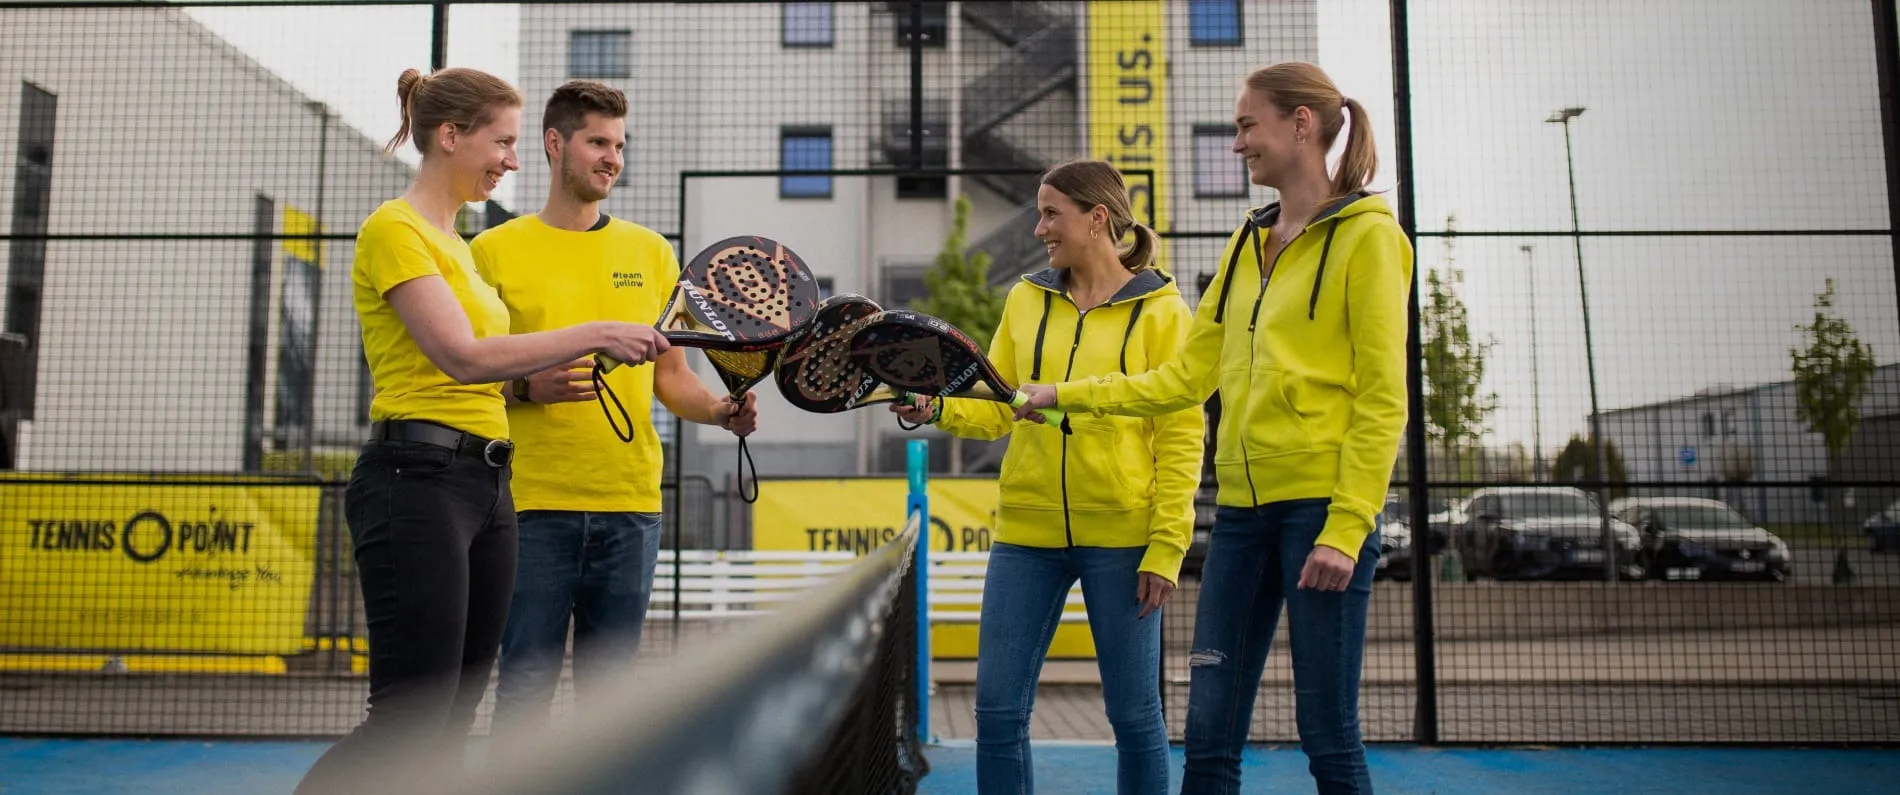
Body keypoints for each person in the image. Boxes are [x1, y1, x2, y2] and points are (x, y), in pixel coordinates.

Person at [1014, 62, 1413, 795]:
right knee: (1206, 735)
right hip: (1239, 517)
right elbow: (1184, 379)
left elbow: (1385, 397)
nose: (1238, 144)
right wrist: (1062, 394)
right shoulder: (1245, 244)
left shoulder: (1370, 239)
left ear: (1301, 124)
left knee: (1327, 733)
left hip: (1322, 511)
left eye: (1245, 126)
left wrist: (1347, 522)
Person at [294, 67, 668, 795]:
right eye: (503, 142)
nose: (513, 159)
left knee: (456, 716)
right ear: (450, 136)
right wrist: (592, 332)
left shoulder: (457, 241)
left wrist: (533, 383)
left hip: (488, 485)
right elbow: (462, 357)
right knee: (409, 715)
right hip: (415, 480)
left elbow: (491, 371)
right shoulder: (393, 230)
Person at [893, 160, 1204, 795]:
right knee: (998, 714)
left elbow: (1180, 435)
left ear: (1098, 218)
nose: (1039, 229)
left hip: (1124, 538)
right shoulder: (1026, 299)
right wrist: (937, 406)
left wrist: (1167, 544)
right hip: (1025, 538)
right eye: (1039, 212)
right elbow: (999, 401)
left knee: (1136, 718)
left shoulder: (1164, 312)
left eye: (1051, 213)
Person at [471, 80, 759, 738]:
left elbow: (673, 379)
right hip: (529, 506)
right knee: (524, 687)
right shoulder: (491, 252)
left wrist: (720, 409)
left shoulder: (653, 252)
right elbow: (460, 370)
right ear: (554, 144)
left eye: (620, 145)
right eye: (598, 141)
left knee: (612, 704)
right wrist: (524, 388)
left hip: (630, 507)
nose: (612, 157)